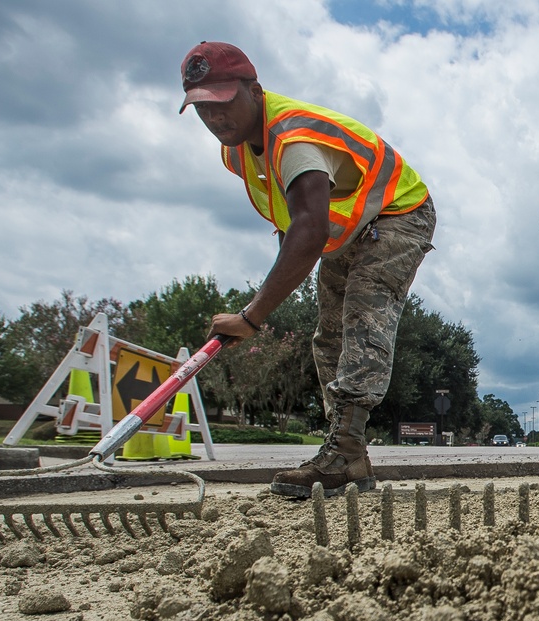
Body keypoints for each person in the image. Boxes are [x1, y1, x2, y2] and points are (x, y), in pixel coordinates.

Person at [179, 41, 436, 498]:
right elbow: (290, 220)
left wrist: (253, 315)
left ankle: (343, 452)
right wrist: (266, 298)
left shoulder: (294, 138)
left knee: (363, 315)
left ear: (254, 90)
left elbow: (310, 227)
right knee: (330, 336)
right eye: (203, 109)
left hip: (398, 213)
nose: (216, 118)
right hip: (350, 228)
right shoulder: (237, 150)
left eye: (223, 103)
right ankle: (348, 455)